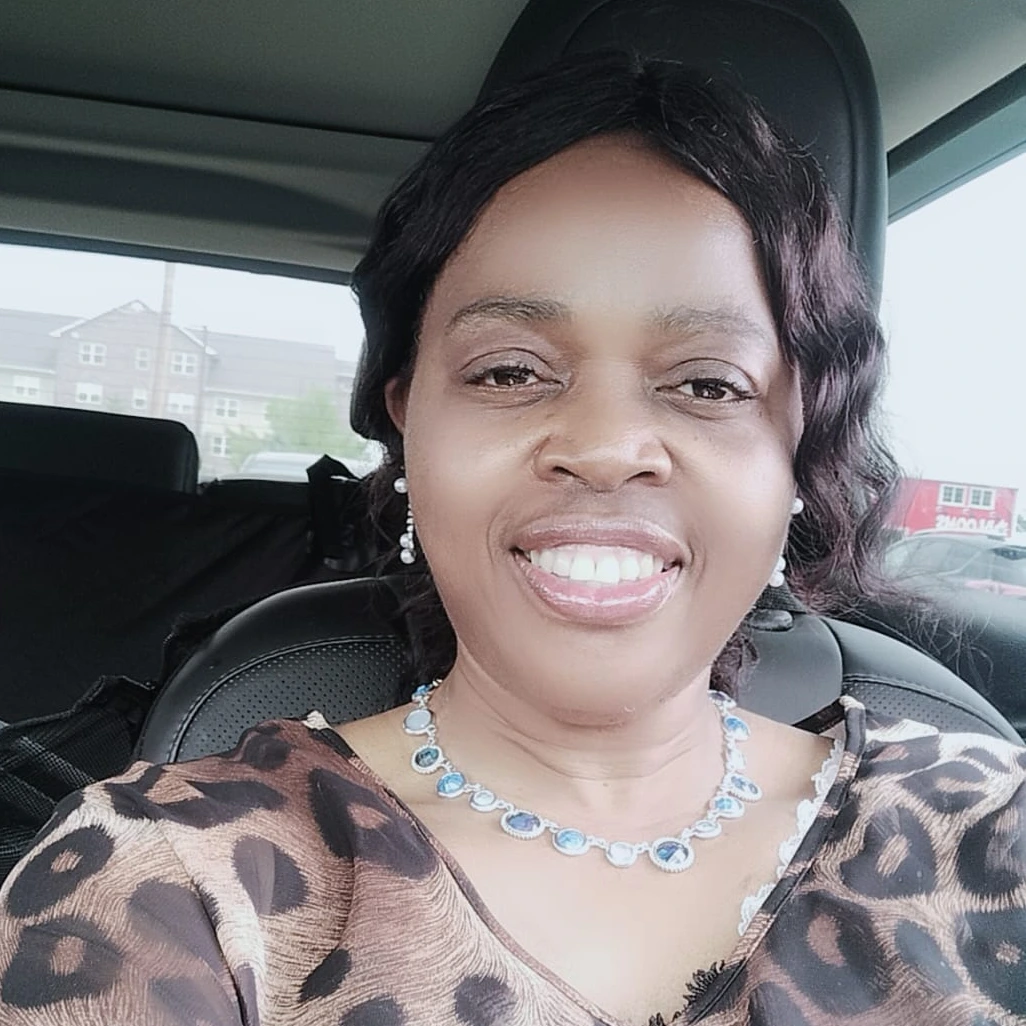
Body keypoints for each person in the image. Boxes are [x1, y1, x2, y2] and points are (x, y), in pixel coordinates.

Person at [1, 51, 1024, 1026]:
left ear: (796, 454)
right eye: (509, 371)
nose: (606, 447)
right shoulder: (171, 876)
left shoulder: (989, 830)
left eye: (709, 385)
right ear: (407, 423)